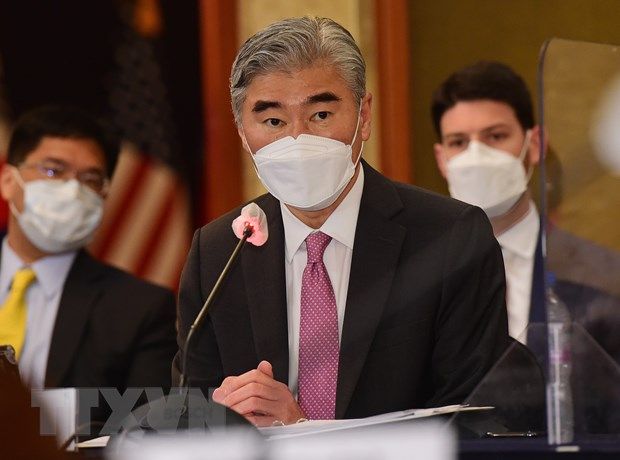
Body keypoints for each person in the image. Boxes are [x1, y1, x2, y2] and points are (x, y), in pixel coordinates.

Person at [174, 17, 510, 427]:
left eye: (320, 115)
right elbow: (189, 414)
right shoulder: (218, 252)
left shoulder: (451, 238)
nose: (297, 139)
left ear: (363, 116)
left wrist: (305, 436)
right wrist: (221, 424)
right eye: (274, 121)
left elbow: (474, 421)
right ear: (243, 132)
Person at [431, 61, 620, 365]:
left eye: (495, 136)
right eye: (459, 142)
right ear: (441, 159)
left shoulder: (603, 274)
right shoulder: (422, 275)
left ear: (534, 145)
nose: (476, 156)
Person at [0, 106, 177, 399]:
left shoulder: (139, 310)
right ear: (8, 181)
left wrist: (45, 417)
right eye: (53, 171)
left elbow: (147, 416)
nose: (72, 190)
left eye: (90, 180)